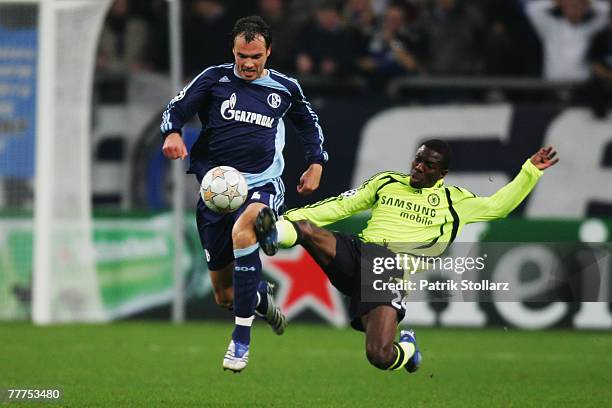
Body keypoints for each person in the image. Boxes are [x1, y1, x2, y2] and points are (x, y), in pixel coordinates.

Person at [254, 140, 559, 373]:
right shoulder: (387, 182)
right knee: (305, 228)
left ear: (442, 174)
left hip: (389, 269)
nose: (419, 168)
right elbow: (340, 206)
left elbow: (498, 207)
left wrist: (530, 171)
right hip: (359, 251)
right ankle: (274, 233)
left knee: (379, 355)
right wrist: (285, 218)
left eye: (428, 166)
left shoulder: (455, 201)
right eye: (418, 160)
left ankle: (409, 352)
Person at [160, 16, 328, 372]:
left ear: (268, 52)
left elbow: (308, 122)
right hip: (215, 193)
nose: (248, 64)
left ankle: (240, 341)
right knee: (225, 296)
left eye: (255, 56)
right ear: (233, 51)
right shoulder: (214, 79)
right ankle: (260, 300)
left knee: (244, 231)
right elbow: (177, 108)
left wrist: (316, 162)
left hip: (262, 185)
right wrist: (172, 133)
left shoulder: (285, 88)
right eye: (241, 56)